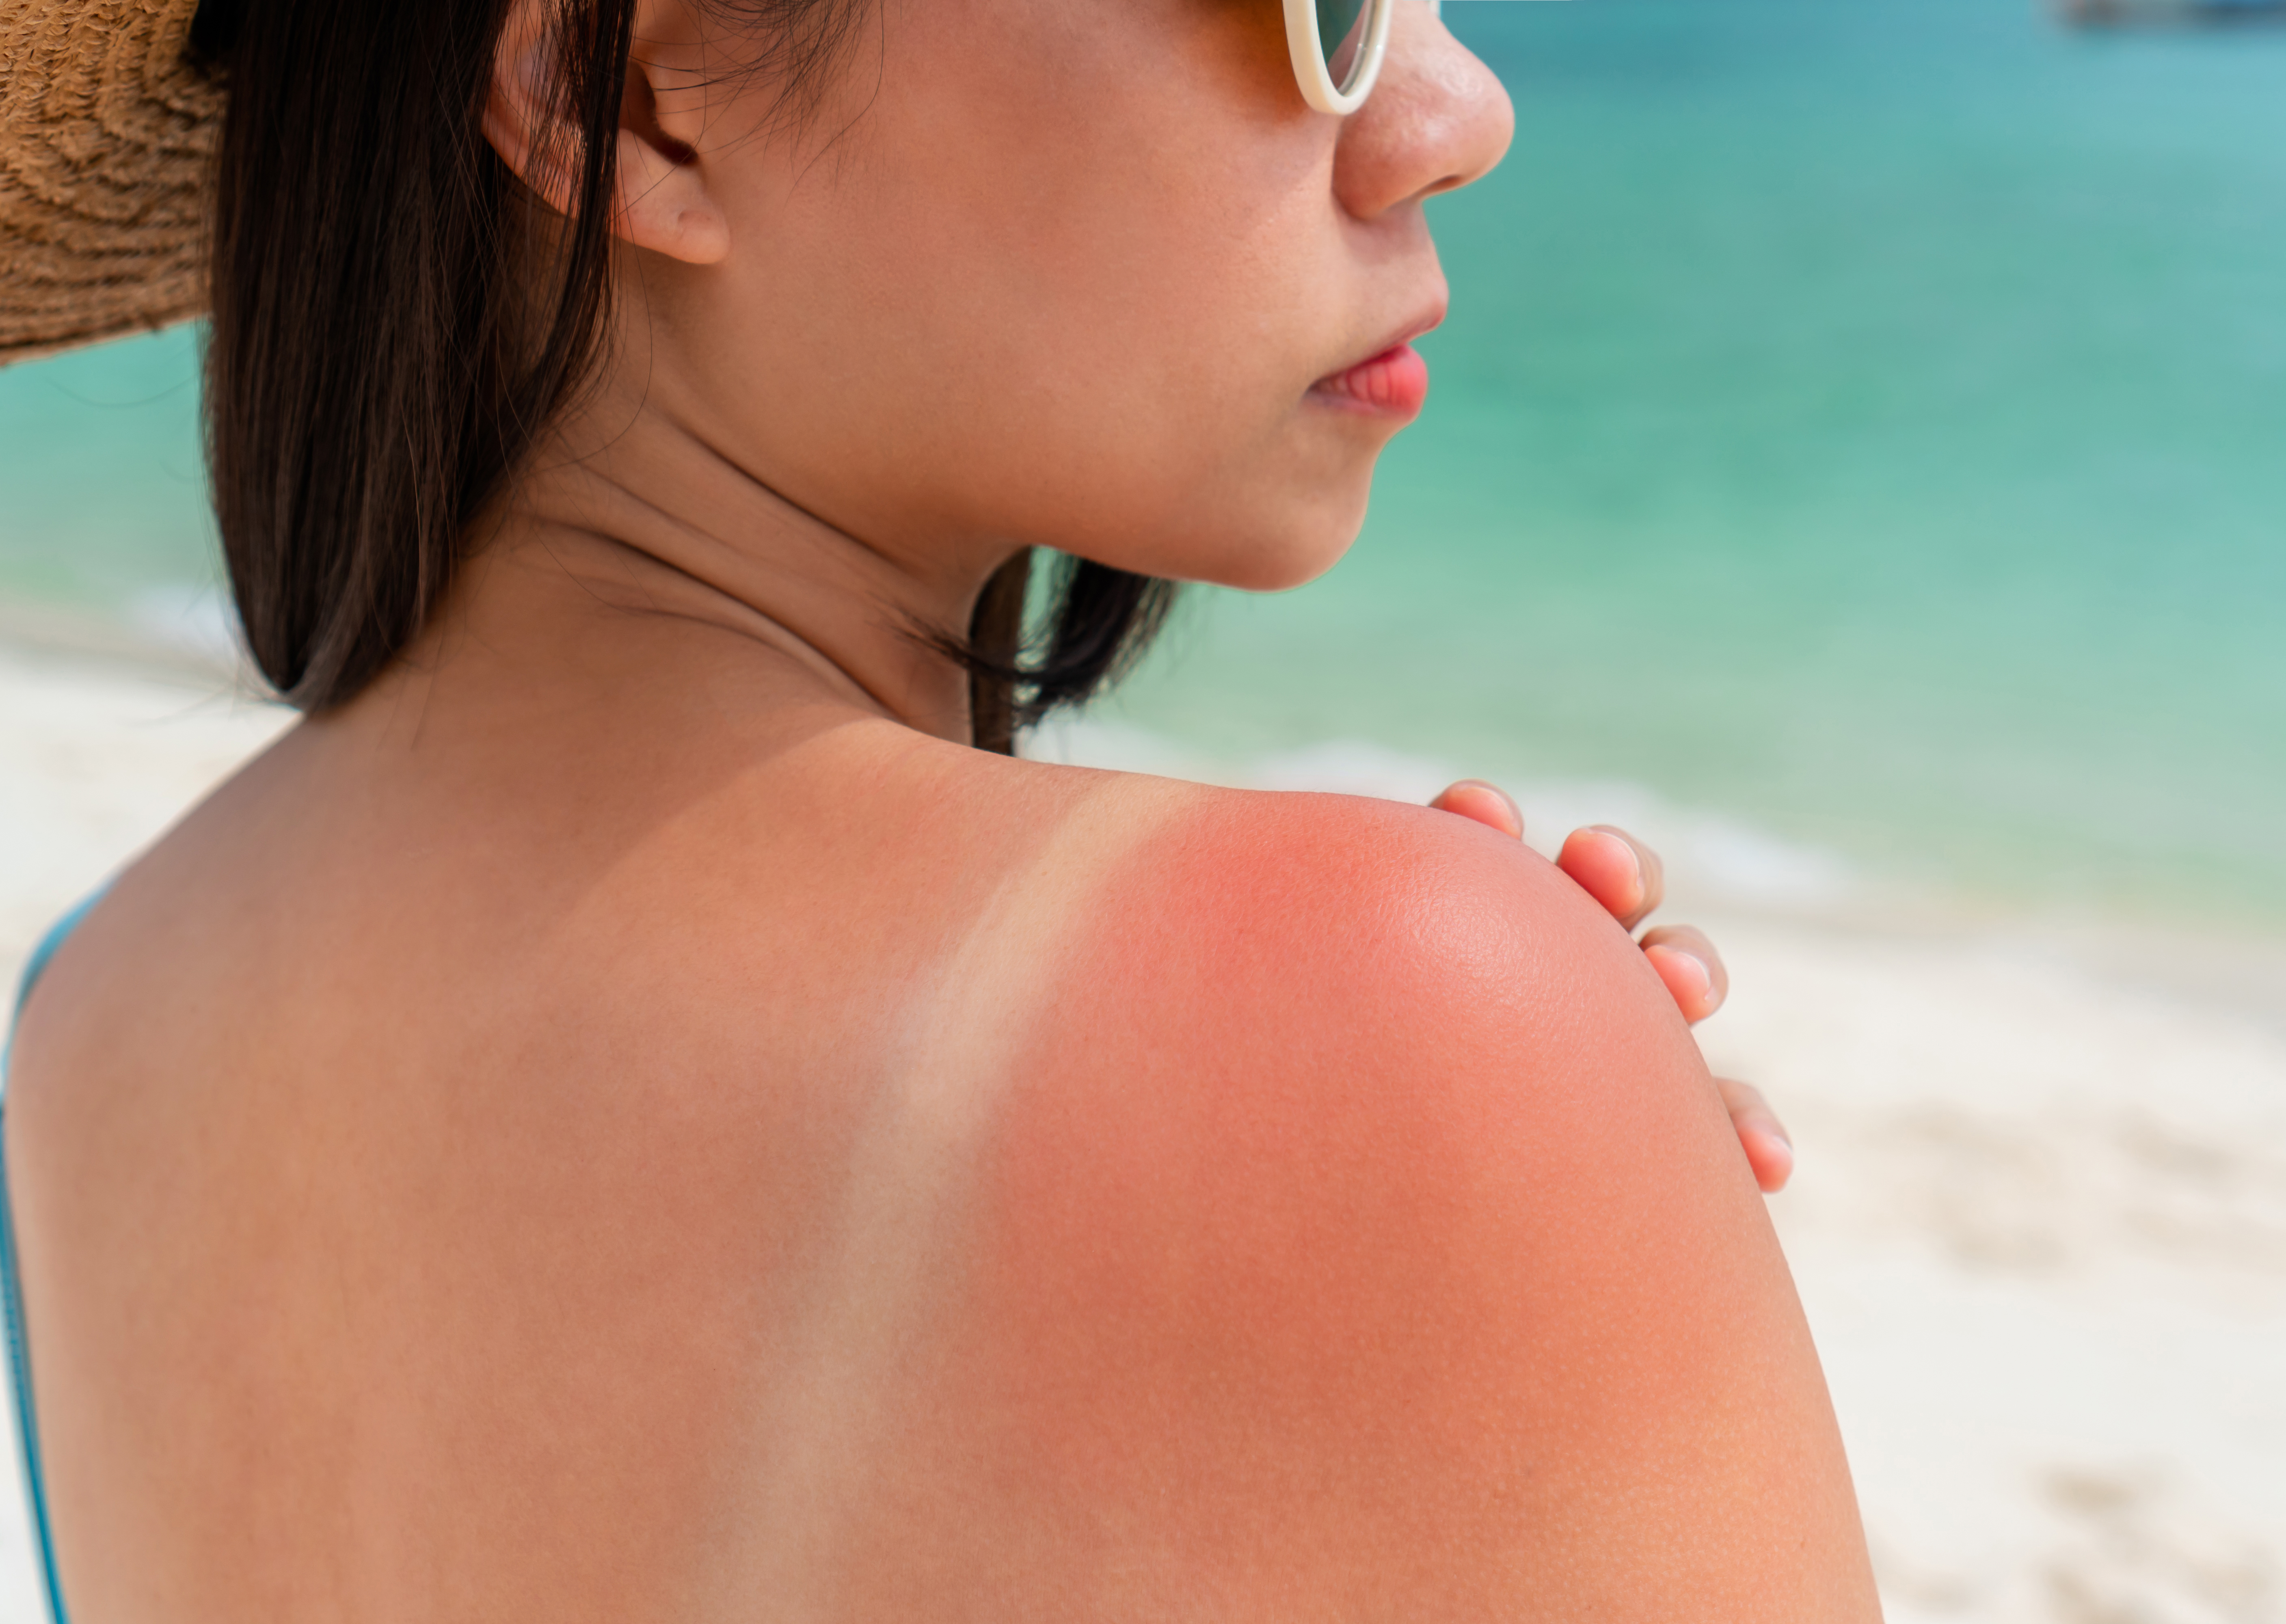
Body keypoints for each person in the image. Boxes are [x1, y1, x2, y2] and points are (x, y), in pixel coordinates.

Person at [0, 0, 1879, 1615]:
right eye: (1318, 6)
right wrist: (1513, 1128)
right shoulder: (1400, 1008)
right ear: (634, 100)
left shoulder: (81, 1025)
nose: (1459, 120)